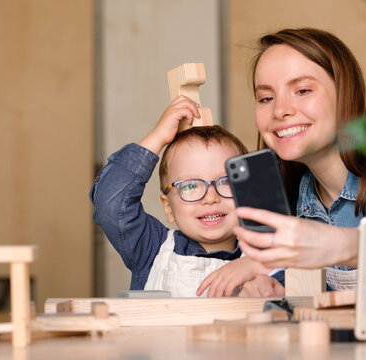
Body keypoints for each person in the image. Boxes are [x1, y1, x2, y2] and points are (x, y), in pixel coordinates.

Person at [231, 28, 366, 296]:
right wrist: (272, 283)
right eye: (266, 98)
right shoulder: (294, 199)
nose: (280, 110)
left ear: (346, 94)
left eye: (302, 90)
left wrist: (337, 244)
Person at [90, 96, 270, 297]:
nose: (210, 198)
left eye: (226, 182)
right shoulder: (152, 248)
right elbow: (110, 203)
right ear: (168, 208)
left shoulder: (268, 261)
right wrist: (158, 136)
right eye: (191, 185)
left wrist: (260, 269)